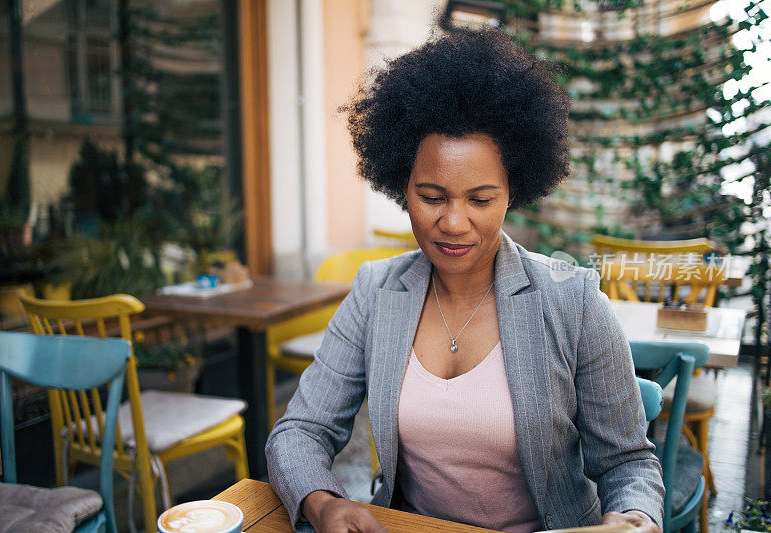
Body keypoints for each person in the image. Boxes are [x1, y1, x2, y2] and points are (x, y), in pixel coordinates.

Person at [266, 27, 664, 533]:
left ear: (512, 192)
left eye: (480, 199)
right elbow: (299, 431)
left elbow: (628, 463)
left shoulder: (574, 302)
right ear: (400, 186)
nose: (453, 223)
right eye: (432, 196)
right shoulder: (376, 293)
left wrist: (632, 519)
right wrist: (324, 503)